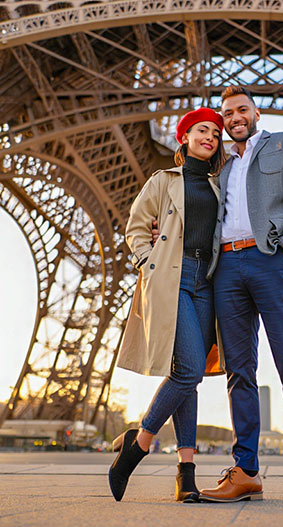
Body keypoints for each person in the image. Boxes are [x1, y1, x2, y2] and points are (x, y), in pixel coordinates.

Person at [197, 86, 283, 505]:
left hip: (272, 259)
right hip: (228, 268)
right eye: (227, 113)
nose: (234, 117)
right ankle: (246, 471)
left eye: (241, 109)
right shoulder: (219, 163)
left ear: (255, 112)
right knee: (239, 372)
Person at [107, 108, 228, 502]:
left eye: (215, 132)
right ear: (185, 137)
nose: (209, 136)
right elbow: (136, 227)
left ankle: (186, 474)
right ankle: (139, 443)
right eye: (201, 130)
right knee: (190, 369)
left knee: (189, 374)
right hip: (172, 278)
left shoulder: (220, 185)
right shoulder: (163, 180)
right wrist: (149, 261)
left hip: (207, 283)